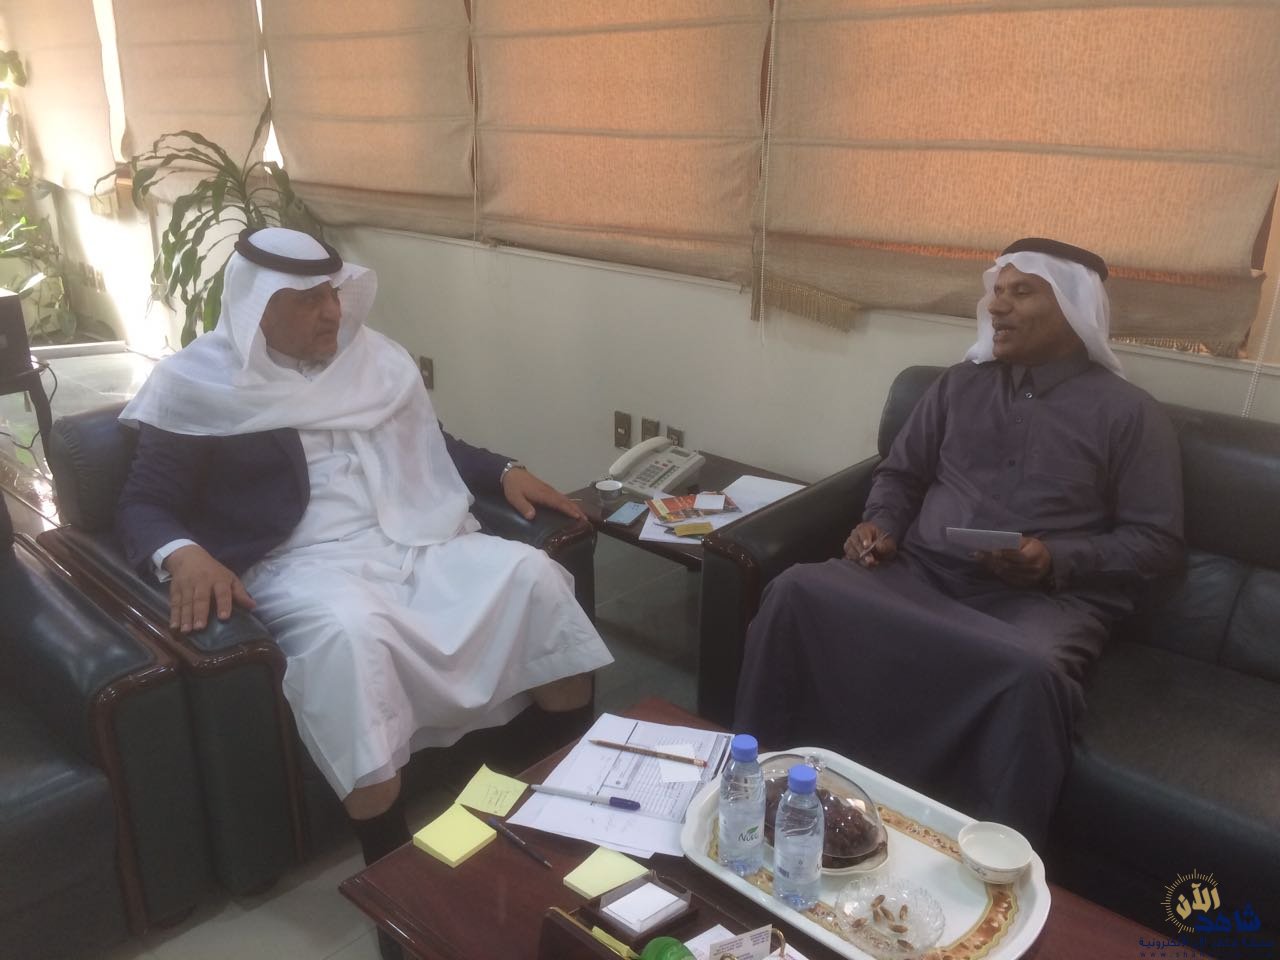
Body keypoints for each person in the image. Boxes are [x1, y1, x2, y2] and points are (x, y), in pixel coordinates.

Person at [116, 228, 613, 910]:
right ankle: (393, 872)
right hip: (300, 565)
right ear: (257, 307)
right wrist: (184, 552)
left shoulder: (372, 360)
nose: (332, 312)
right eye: (308, 300)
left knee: (534, 578)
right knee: (351, 638)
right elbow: (143, 503)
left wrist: (503, 470)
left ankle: (568, 803)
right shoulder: (199, 385)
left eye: (333, 293)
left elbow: (430, 443)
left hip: (413, 534)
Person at [733, 237, 1184, 844]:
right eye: (996, 291)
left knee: (1029, 674)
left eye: (1021, 292)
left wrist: (1053, 558)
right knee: (796, 591)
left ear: (1074, 309)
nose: (997, 306)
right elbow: (900, 475)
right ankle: (759, 790)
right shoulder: (957, 386)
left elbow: (1157, 543)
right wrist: (881, 527)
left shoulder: (1131, 415)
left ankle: (983, 861)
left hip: (1037, 605)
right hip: (919, 572)